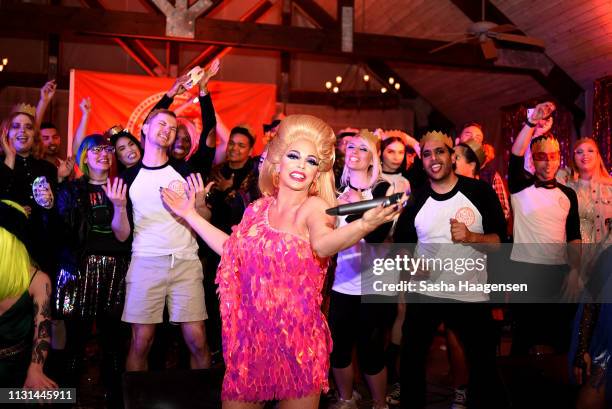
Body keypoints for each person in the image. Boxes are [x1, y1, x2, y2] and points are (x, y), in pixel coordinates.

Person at [161, 114, 404, 408]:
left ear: (318, 173)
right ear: (278, 163)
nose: (302, 165)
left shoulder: (315, 207)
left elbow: (323, 244)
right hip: (251, 341)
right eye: (294, 155)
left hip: (298, 344)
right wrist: (190, 215)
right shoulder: (256, 209)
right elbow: (230, 248)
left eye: (312, 161)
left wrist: (363, 226)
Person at [394, 130, 506, 409]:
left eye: (440, 151)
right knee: (411, 360)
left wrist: (472, 237)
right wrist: (411, 266)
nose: (434, 158)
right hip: (426, 293)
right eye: (427, 154)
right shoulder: (417, 200)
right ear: (422, 162)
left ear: (453, 156)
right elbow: (402, 247)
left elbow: (500, 243)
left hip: (470, 295)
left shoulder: (479, 192)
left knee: (483, 366)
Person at [110, 108, 211, 372]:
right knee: (141, 341)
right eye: (161, 124)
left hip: (185, 261)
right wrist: (119, 207)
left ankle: (200, 401)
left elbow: (204, 219)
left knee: (198, 340)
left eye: (173, 127)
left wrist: (200, 203)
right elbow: (121, 235)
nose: (168, 130)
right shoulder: (128, 177)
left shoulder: (186, 171)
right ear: (144, 128)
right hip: (145, 262)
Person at [55, 134, 131, 406]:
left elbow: (123, 237)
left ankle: (114, 401)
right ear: (84, 156)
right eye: (96, 150)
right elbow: (59, 230)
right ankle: (66, 399)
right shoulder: (73, 189)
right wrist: (61, 182)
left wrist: (120, 206)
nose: (103, 154)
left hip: (116, 271)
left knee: (113, 344)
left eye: (108, 150)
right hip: (80, 271)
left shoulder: (121, 187)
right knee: (75, 342)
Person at [329, 130, 398, 409]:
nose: (353, 151)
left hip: (373, 287)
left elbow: (375, 237)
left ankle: (379, 404)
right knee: (339, 350)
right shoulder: (335, 190)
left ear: (373, 157)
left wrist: (353, 208)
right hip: (342, 284)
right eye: (350, 147)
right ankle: (346, 399)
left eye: (362, 148)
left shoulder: (384, 190)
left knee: (371, 352)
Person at [508, 101, 581, 355]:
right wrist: (530, 123)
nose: (548, 163)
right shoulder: (520, 186)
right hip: (523, 272)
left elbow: (574, 237)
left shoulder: (568, 194)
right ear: (533, 160)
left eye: (552, 157)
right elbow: (515, 155)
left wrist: (574, 271)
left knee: (559, 338)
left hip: (558, 273)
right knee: (523, 339)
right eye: (541, 157)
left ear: (559, 159)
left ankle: (556, 393)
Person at [0, 199, 57, 389]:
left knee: (61, 396)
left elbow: (43, 330)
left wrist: (35, 369)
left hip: (18, 371)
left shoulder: (39, 280)